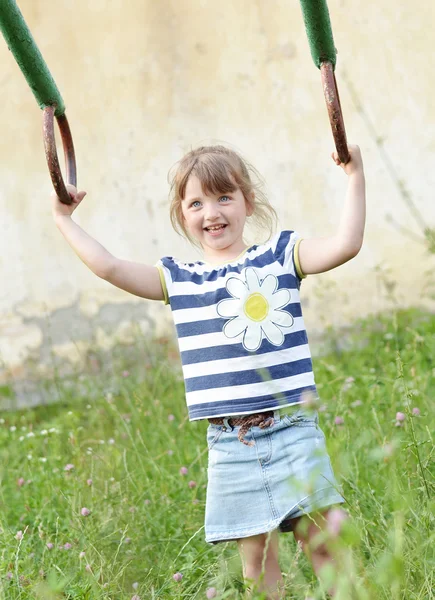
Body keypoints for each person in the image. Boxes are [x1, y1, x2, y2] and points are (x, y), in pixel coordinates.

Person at [52, 143, 365, 599]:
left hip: (293, 428)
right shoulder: (179, 278)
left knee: (324, 544)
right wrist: (64, 220)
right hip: (229, 441)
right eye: (196, 203)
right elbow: (110, 267)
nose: (211, 212)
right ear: (182, 214)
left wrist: (355, 176)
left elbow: (346, 245)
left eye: (223, 197)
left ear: (247, 202)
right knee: (258, 567)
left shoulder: (279, 257)